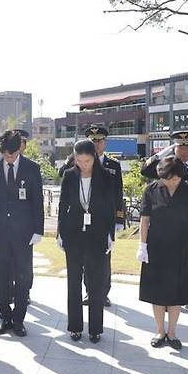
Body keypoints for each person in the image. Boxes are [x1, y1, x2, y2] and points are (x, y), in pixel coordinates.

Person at [141, 130, 188, 315]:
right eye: (179, 145)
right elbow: (145, 170)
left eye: (187, 145)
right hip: (166, 225)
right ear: (174, 146)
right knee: (167, 264)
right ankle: (167, 298)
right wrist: (162, 153)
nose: (183, 149)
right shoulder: (165, 164)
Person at [0, 130, 44, 337]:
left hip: (24, 232)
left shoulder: (32, 168)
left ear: (19, 150)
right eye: (4, 154)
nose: (8, 158)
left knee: (22, 277)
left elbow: (38, 201)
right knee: (2, 276)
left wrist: (38, 230)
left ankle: (19, 320)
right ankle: (4, 318)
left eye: (11, 155)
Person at [137, 156, 188, 350]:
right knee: (157, 291)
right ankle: (159, 331)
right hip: (156, 246)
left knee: (176, 291)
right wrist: (142, 245)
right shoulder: (151, 190)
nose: (172, 182)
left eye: (175, 178)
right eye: (168, 178)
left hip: (181, 247)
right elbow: (144, 220)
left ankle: (172, 332)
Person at [57, 139, 115, 343]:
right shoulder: (69, 176)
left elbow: (110, 207)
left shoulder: (106, 177)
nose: (83, 165)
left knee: (96, 284)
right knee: (73, 282)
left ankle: (96, 329)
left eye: (87, 160)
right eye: (79, 160)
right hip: (73, 235)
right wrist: (60, 233)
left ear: (94, 158)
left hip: (97, 235)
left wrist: (111, 234)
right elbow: (63, 206)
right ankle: (74, 327)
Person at [81, 125, 125, 308]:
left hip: (105, 220)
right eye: (92, 140)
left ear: (105, 143)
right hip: (84, 219)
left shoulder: (113, 165)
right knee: (86, 258)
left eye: (99, 140)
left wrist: (119, 219)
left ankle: (103, 293)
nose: (96, 144)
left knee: (104, 258)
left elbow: (118, 193)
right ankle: (89, 291)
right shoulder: (79, 162)